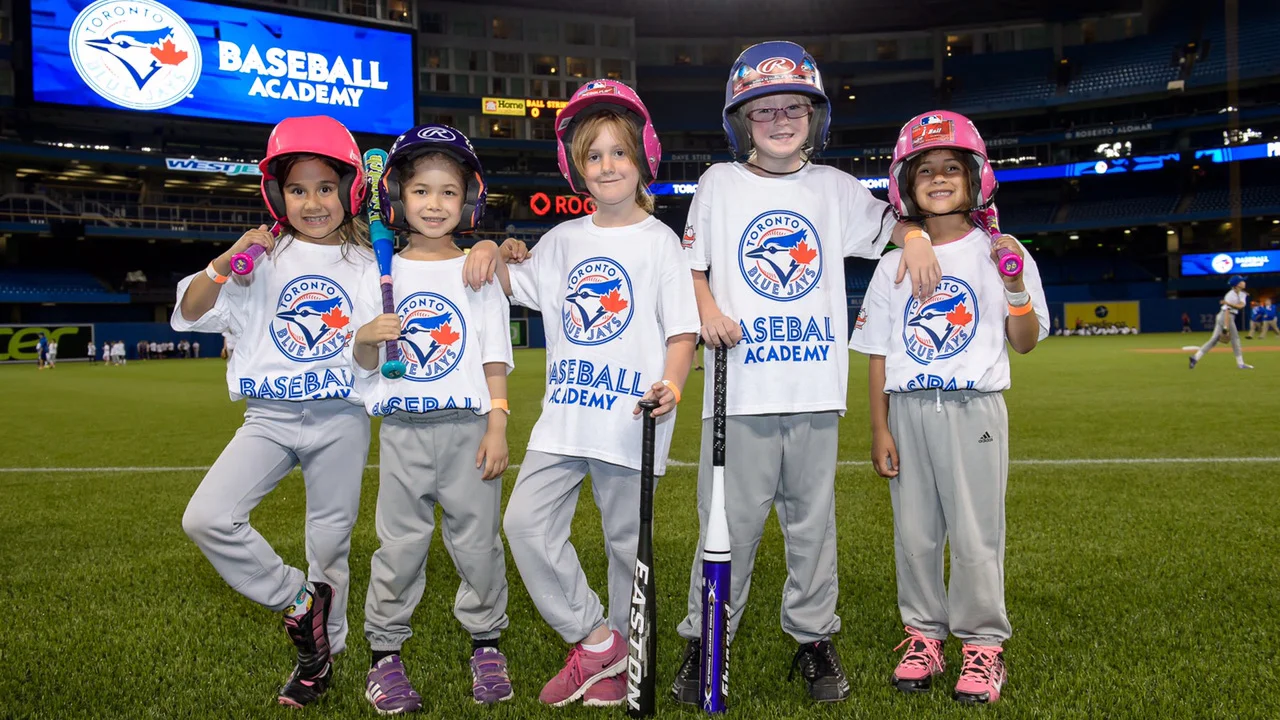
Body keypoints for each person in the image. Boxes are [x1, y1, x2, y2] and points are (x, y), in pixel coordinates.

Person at [665, 41, 940, 705]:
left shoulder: (835, 188)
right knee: (724, 526)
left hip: (815, 390)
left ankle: (814, 640)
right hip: (741, 389)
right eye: (764, 110)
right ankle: (709, 638)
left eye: (794, 107)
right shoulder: (718, 184)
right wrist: (706, 310)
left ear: (814, 116)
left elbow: (894, 228)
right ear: (741, 120)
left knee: (812, 528)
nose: (781, 119)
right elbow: (692, 267)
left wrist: (919, 235)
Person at [465, 79, 700, 707]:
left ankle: (619, 664)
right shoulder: (564, 240)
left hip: (632, 419)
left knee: (629, 550)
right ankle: (597, 640)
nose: (606, 166)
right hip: (563, 422)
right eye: (592, 155)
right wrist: (492, 243)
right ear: (576, 167)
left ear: (644, 156)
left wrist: (672, 384)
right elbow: (510, 281)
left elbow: (682, 332)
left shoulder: (661, 245)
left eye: (618, 152)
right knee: (524, 525)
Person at [170, 115, 379, 707]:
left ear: (350, 190)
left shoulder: (369, 264)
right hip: (269, 417)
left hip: (340, 416)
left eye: (325, 187)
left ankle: (321, 658)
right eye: (296, 189)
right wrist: (221, 264)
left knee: (329, 544)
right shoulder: (258, 256)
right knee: (208, 517)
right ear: (275, 195)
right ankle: (298, 600)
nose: (312, 202)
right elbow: (189, 310)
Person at [850, 110, 1048, 705]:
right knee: (914, 535)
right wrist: (880, 428)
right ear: (906, 186)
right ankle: (922, 635)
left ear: (975, 179)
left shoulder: (999, 250)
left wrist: (1013, 284)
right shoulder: (894, 262)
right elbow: (879, 354)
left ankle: (983, 644)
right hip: (908, 411)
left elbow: (1025, 341)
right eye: (926, 171)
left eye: (952, 169)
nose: (939, 179)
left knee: (975, 532)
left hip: (974, 408)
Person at [348, 125, 516, 711]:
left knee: (477, 545)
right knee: (399, 547)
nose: (435, 204)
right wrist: (366, 338)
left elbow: (494, 352)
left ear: (469, 199)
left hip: (469, 426)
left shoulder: (476, 267)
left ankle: (487, 644)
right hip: (402, 431)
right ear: (397, 197)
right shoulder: (378, 271)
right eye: (421, 191)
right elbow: (366, 363)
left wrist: (498, 421)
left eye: (449, 192)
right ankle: (385, 654)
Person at [1189, 275, 1252, 370]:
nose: (1244, 282)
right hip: (1226, 316)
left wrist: (1228, 303)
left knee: (1214, 340)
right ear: (1237, 284)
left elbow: (1241, 306)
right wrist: (1225, 327)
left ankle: (1195, 357)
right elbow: (1227, 311)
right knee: (1235, 339)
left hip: (1225, 315)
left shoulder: (1242, 294)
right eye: (1242, 281)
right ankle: (1241, 364)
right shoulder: (1230, 295)